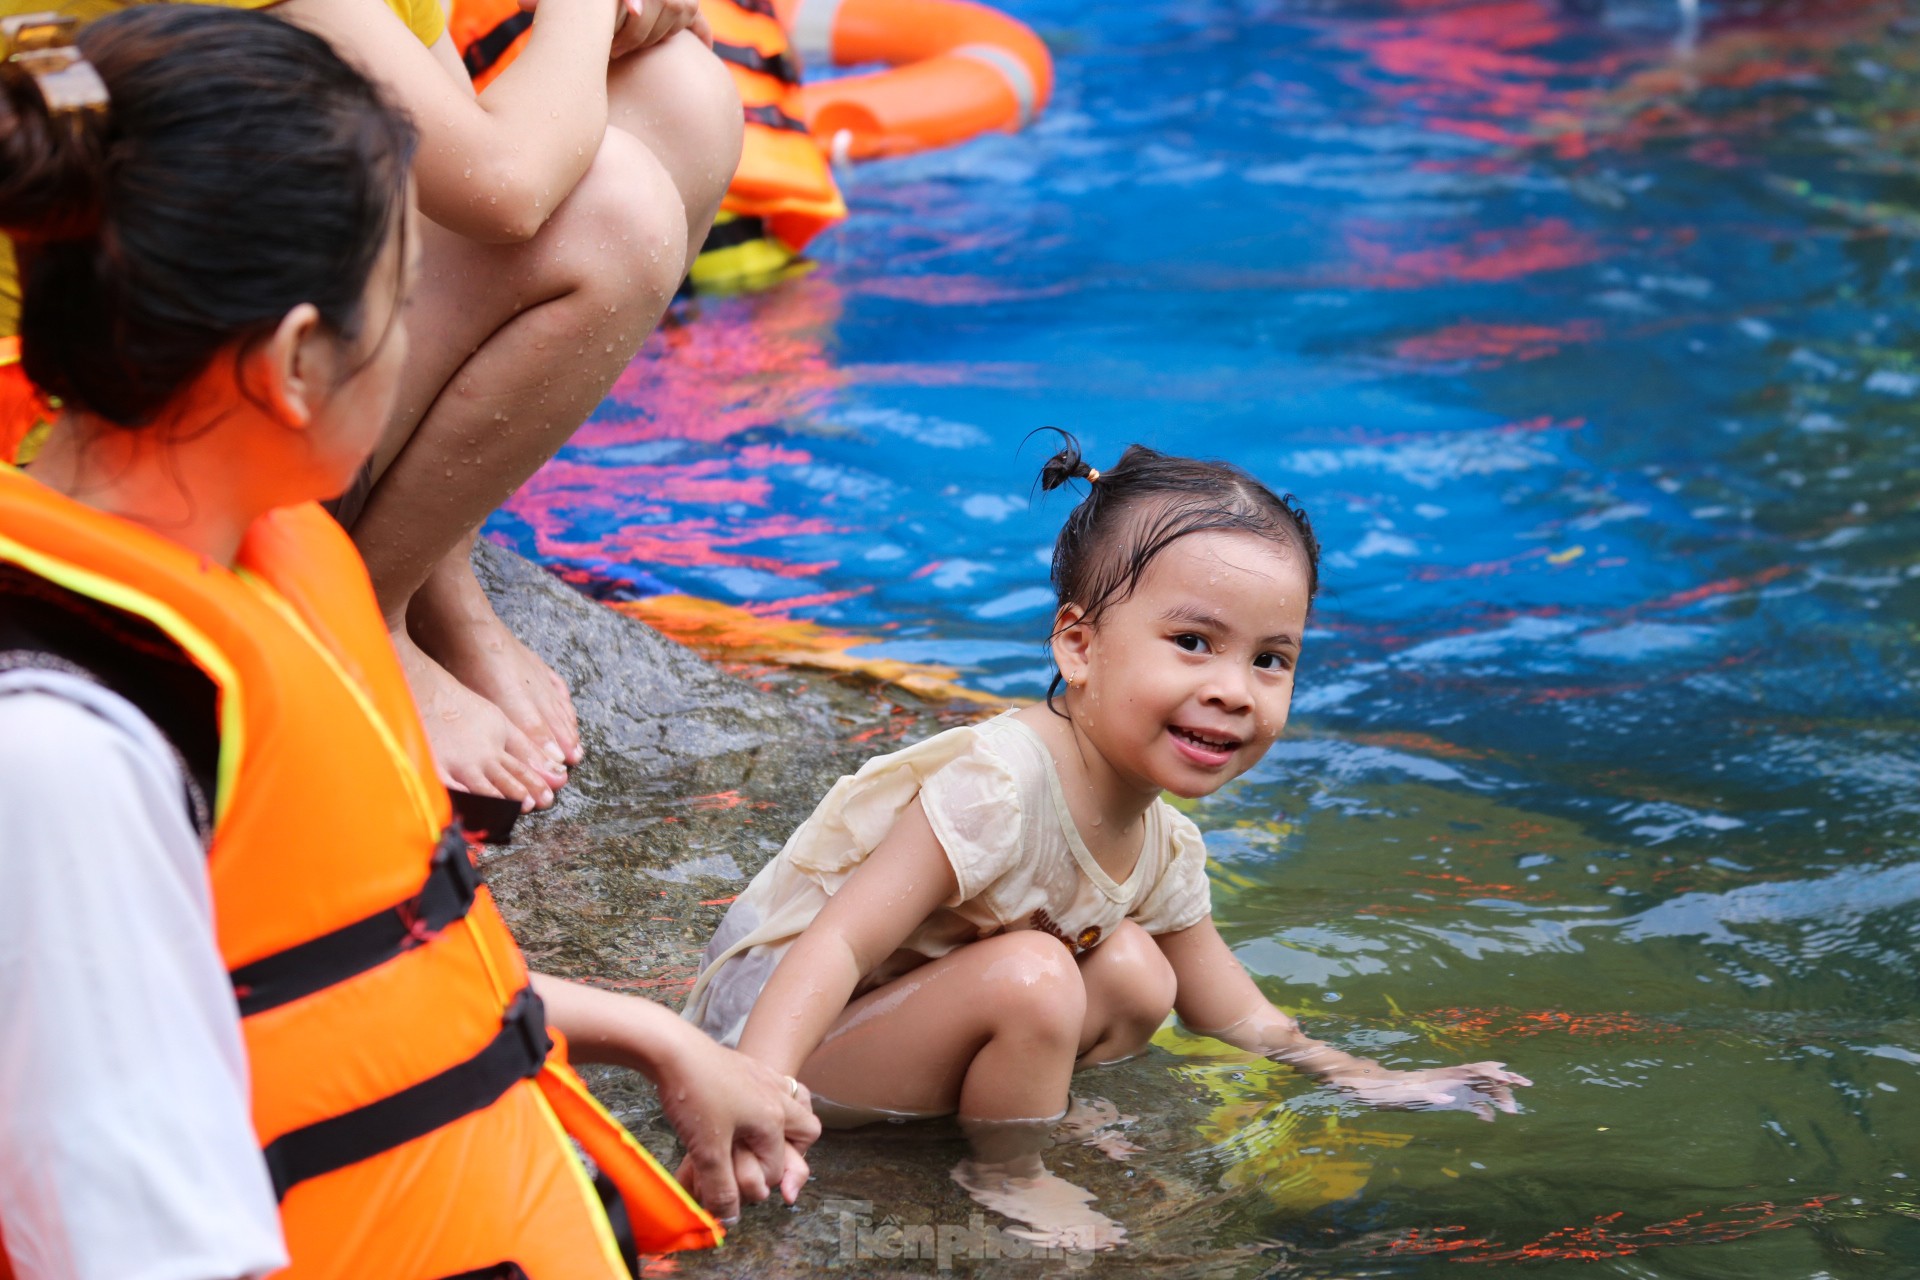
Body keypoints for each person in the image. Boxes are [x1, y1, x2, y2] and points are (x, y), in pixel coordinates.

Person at [0, 10, 811, 1279]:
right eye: (402, 301)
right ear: (292, 365)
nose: (424, 339)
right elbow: (125, 1233)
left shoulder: (269, 565)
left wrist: (644, 1031)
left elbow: (340, 956)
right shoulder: (64, 746)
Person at [682, 434, 1533, 1249]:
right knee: (1038, 975)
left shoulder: (1161, 840)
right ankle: (1006, 1172)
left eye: (1271, 660)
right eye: (1193, 643)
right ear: (1078, 645)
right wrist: (754, 1092)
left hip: (903, 1029)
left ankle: (1022, 1103)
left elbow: (1227, 1007)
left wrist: (1365, 1078)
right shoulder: (1001, 786)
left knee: (1139, 971)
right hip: (779, 1042)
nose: (1234, 691)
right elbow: (838, 942)